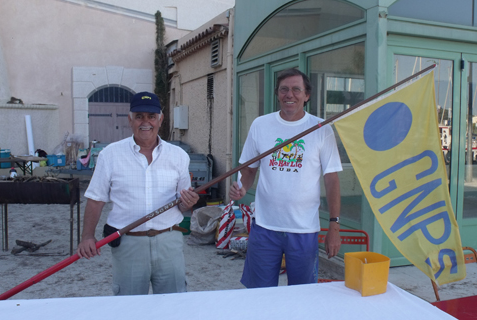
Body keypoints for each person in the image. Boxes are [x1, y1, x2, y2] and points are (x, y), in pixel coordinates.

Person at [77, 91, 199, 295]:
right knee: (129, 308)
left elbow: (183, 204)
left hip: (169, 241)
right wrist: (87, 236)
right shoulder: (110, 155)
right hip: (128, 242)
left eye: (151, 116)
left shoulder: (178, 156)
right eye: (139, 116)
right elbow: (96, 199)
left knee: (174, 306)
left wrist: (189, 202)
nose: (146, 122)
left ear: (160, 119)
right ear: (130, 119)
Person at [229, 68, 342, 288]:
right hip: (265, 227)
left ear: (306, 95)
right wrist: (242, 188)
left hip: (304, 230)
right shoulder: (260, 125)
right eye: (284, 90)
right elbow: (249, 170)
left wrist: (334, 227)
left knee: (302, 296)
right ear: (278, 94)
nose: (289, 95)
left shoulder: (321, 129)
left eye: (296, 89)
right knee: (259, 294)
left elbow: (332, 180)